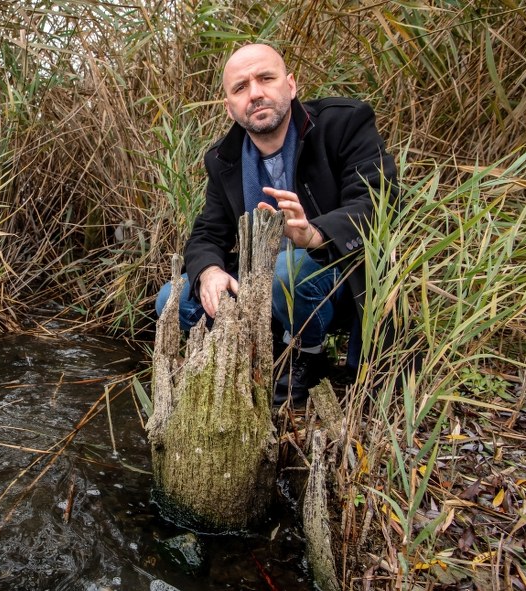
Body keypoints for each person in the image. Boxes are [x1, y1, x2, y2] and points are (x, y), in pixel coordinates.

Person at [155, 43, 398, 405]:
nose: (255, 93)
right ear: (229, 106)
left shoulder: (342, 123)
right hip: (261, 285)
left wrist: (313, 234)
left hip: (342, 278)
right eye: (240, 88)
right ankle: (265, 349)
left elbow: (377, 201)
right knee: (172, 300)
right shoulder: (224, 159)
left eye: (265, 79)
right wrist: (209, 272)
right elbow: (208, 231)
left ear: (291, 85)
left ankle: (307, 356)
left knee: (287, 269)